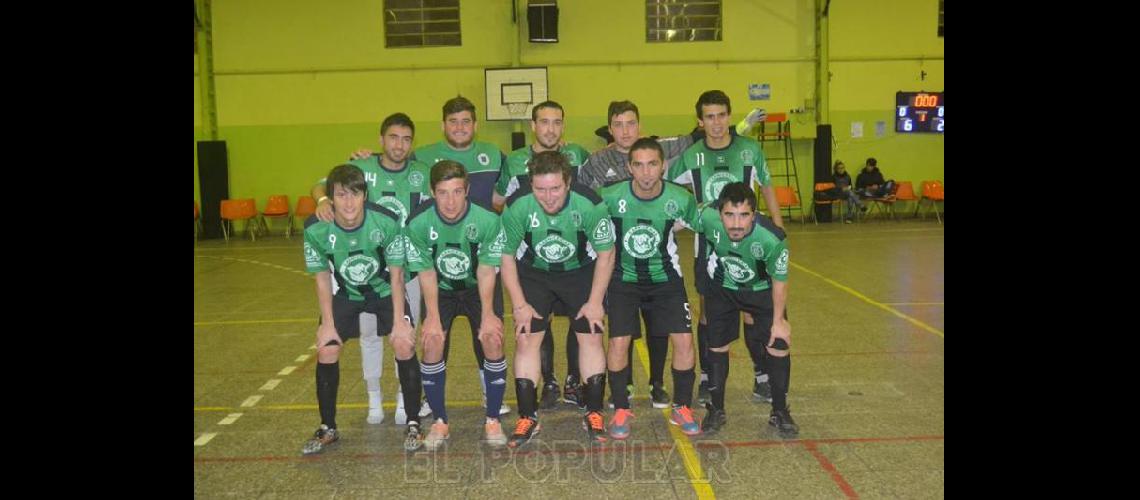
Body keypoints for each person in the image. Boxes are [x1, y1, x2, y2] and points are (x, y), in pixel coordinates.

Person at [577, 100, 763, 409]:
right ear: (610, 130)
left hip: (660, 264)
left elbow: (700, 135)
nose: (625, 131)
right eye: (619, 125)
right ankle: (621, 393)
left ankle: (658, 384)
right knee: (620, 336)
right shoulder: (597, 166)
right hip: (620, 265)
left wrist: (740, 129)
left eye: (631, 124)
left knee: (663, 329)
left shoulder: (665, 159)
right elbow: (583, 205)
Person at [311, 112, 430, 426]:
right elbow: (321, 185)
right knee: (368, 336)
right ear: (381, 139)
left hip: (408, 269)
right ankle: (374, 399)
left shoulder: (422, 172)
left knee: (404, 335)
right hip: (369, 272)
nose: (399, 145)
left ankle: (406, 402)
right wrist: (323, 199)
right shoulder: (361, 167)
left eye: (406, 139)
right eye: (393, 137)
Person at [668, 90, 782, 409]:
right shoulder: (692, 156)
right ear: (700, 121)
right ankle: (708, 377)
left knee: (751, 313)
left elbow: (769, 188)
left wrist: (778, 229)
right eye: (709, 117)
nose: (716, 123)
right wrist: (689, 215)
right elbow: (667, 186)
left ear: (729, 117)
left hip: (752, 248)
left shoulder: (749, 150)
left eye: (721, 116)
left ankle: (762, 376)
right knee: (709, 313)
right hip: (710, 250)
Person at [300, 164, 424, 455]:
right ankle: (328, 427)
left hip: (383, 290)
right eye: (341, 195)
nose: (348, 202)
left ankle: (415, 422)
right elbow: (321, 278)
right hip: (347, 293)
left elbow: (396, 275)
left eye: (355, 194)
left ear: (365, 195)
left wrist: (399, 322)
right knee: (327, 348)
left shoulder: (386, 222)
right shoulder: (315, 228)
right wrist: (328, 324)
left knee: (404, 344)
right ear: (330, 198)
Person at [500, 150, 616, 446]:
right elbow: (506, 256)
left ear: (567, 182)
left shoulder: (589, 203)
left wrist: (594, 302)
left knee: (590, 334)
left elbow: (606, 253)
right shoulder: (517, 206)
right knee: (526, 337)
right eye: (540, 189)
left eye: (555, 188)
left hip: (580, 272)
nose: (548, 197)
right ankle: (528, 417)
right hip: (534, 273)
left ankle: (593, 412)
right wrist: (519, 305)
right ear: (531, 185)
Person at [410, 96, 512, 417]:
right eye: (453, 122)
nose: (459, 127)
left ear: (475, 124)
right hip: (441, 265)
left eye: (465, 121)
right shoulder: (422, 156)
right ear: (443, 125)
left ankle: (489, 392)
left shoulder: (495, 154)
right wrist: (366, 156)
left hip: (481, 259)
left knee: (489, 334)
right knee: (434, 334)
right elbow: (391, 166)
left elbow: (515, 183)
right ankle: (431, 397)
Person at [598, 138, 703, 438]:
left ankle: (682, 406)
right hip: (623, 280)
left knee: (683, 340)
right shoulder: (609, 197)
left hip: (666, 280)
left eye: (652, 164)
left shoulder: (679, 198)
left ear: (663, 166)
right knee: (618, 343)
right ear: (629, 167)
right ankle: (620, 408)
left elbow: (703, 225)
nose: (646, 173)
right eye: (639, 165)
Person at [404, 160, 510, 449]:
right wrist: (432, 318)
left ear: (467, 190)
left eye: (456, 192)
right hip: (442, 289)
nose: (450, 201)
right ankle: (440, 421)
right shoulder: (418, 223)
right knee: (432, 341)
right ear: (431, 192)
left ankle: (492, 419)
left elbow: (487, 270)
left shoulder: (488, 220)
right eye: (442, 193)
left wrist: (488, 315)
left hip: (478, 288)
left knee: (492, 338)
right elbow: (425, 272)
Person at [493, 100, 591, 410]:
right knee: (538, 320)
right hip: (533, 260)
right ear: (533, 126)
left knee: (580, 319)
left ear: (563, 125)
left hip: (574, 258)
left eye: (557, 122)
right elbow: (499, 200)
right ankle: (547, 379)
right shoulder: (515, 162)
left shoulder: (578, 156)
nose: (550, 128)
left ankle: (574, 379)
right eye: (544, 122)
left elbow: (590, 198)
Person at [693, 182, 798, 438]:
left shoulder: (772, 238)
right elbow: (676, 212)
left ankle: (780, 410)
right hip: (722, 289)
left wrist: (778, 320)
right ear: (719, 213)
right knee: (716, 346)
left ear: (754, 214)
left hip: (760, 291)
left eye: (744, 215)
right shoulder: (706, 216)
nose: (736, 223)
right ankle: (716, 409)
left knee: (778, 343)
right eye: (729, 215)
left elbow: (780, 282)